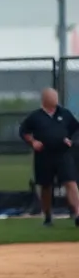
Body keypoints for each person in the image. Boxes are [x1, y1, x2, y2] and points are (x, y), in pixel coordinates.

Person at [19, 88, 79, 227]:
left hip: (63, 154)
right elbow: (23, 132)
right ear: (44, 99)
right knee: (46, 186)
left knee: (70, 182)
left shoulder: (65, 114)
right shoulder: (35, 117)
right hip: (44, 155)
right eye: (52, 97)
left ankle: (77, 213)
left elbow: (76, 129)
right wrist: (33, 142)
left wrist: (72, 140)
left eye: (56, 97)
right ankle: (47, 216)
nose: (55, 100)